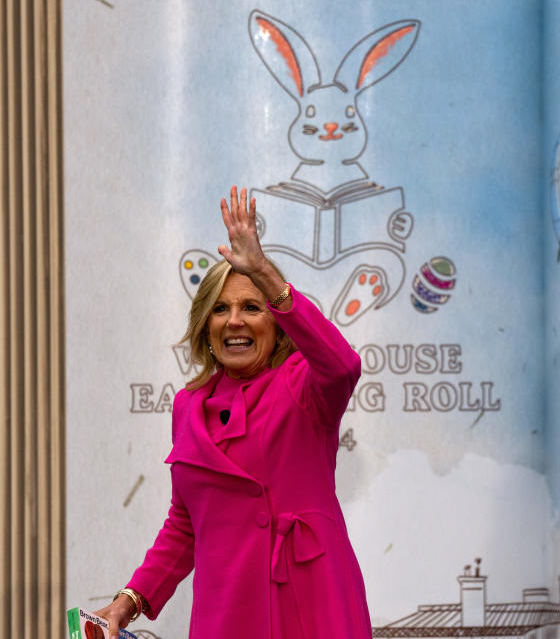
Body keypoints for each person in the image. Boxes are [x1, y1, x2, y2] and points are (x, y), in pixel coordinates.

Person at [95, 186, 370, 638]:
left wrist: (264, 272)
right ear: (205, 328)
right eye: (220, 309)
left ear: (277, 323)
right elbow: (185, 524)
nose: (234, 321)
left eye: (251, 307)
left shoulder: (303, 382)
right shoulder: (188, 406)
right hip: (227, 611)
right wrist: (131, 600)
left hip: (310, 605)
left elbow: (343, 366)